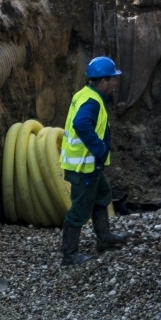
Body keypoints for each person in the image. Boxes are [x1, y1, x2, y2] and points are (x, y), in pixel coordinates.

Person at [59, 56, 129, 266]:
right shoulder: (92, 101)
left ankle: (104, 238)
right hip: (83, 167)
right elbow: (81, 124)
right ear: (102, 81)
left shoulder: (87, 95)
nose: (116, 83)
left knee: (103, 194)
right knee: (79, 210)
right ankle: (70, 255)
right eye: (112, 79)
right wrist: (99, 148)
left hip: (90, 166)